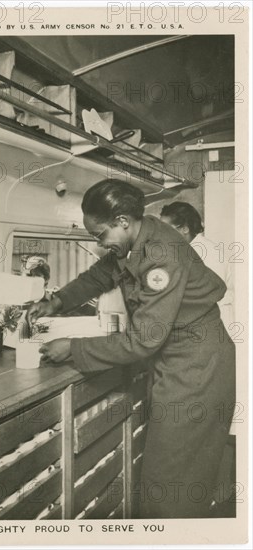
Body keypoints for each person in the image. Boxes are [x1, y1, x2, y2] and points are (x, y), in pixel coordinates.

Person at [27, 179, 235, 519]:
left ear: (123, 221)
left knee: (170, 481)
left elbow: (143, 339)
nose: (99, 242)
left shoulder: (160, 254)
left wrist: (73, 349)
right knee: (172, 474)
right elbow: (100, 276)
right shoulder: (135, 239)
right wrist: (59, 300)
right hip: (179, 360)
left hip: (198, 367)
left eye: (99, 235)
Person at [160, 201, 234, 331]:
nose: (161, 235)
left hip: (215, 326)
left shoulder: (208, 253)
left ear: (185, 229)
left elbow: (208, 296)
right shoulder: (187, 251)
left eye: (166, 229)